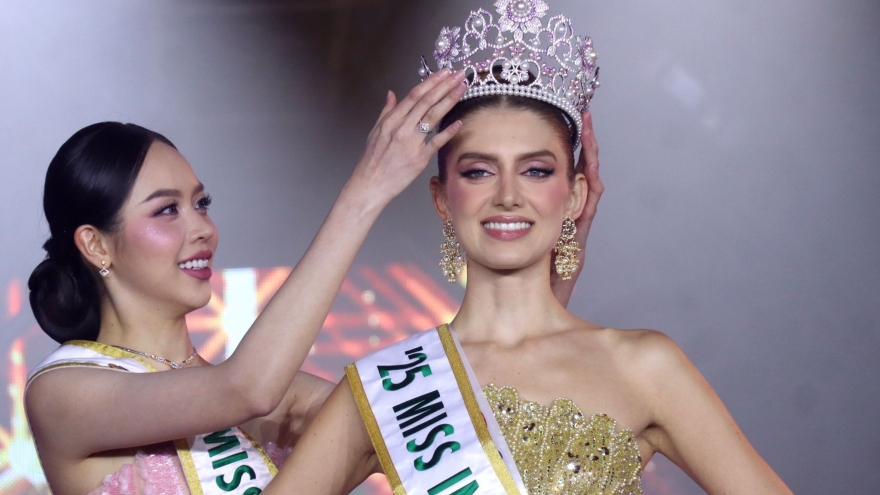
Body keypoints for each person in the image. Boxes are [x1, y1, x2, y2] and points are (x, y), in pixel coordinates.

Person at [263, 1, 794, 494]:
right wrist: (364, 192)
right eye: (478, 171)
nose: (508, 196)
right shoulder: (385, 390)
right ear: (443, 199)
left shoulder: (644, 367)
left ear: (575, 194)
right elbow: (249, 389)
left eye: (536, 171)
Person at [24, 69, 470, 495]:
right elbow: (246, 389)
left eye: (201, 204)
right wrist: (366, 192)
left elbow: (402, 428)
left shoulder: (276, 396)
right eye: (166, 210)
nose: (202, 228)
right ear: (96, 245)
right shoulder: (61, 394)